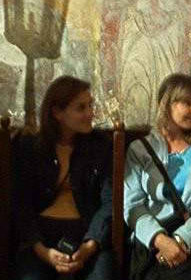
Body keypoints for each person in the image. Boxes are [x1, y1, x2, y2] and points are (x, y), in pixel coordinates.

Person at [124, 73, 191, 280]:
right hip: (152, 241)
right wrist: (160, 240)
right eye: (188, 103)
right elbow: (132, 205)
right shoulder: (140, 149)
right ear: (166, 103)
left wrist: (183, 239)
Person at [14, 75, 114, 280]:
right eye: (81, 108)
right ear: (57, 113)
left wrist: (90, 246)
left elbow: (110, 202)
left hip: (87, 233)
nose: (90, 113)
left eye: (90, 105)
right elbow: (21, 203)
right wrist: (43, 251)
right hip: (41, 237)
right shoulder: (31, 147)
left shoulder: (101, 147)